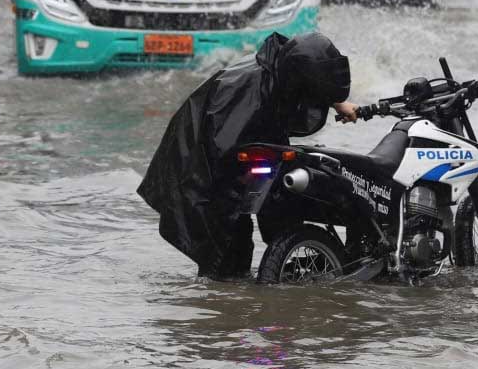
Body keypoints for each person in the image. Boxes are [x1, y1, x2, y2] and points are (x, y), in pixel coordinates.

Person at [138, 32, 360, 280]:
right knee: (226, 249)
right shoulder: (245, 97)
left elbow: (305, 83)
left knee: (277, 199)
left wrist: (335, 102)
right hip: (199, 159)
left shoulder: (281, 68)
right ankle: (218, 310)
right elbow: (224, 159)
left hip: (240, 142)